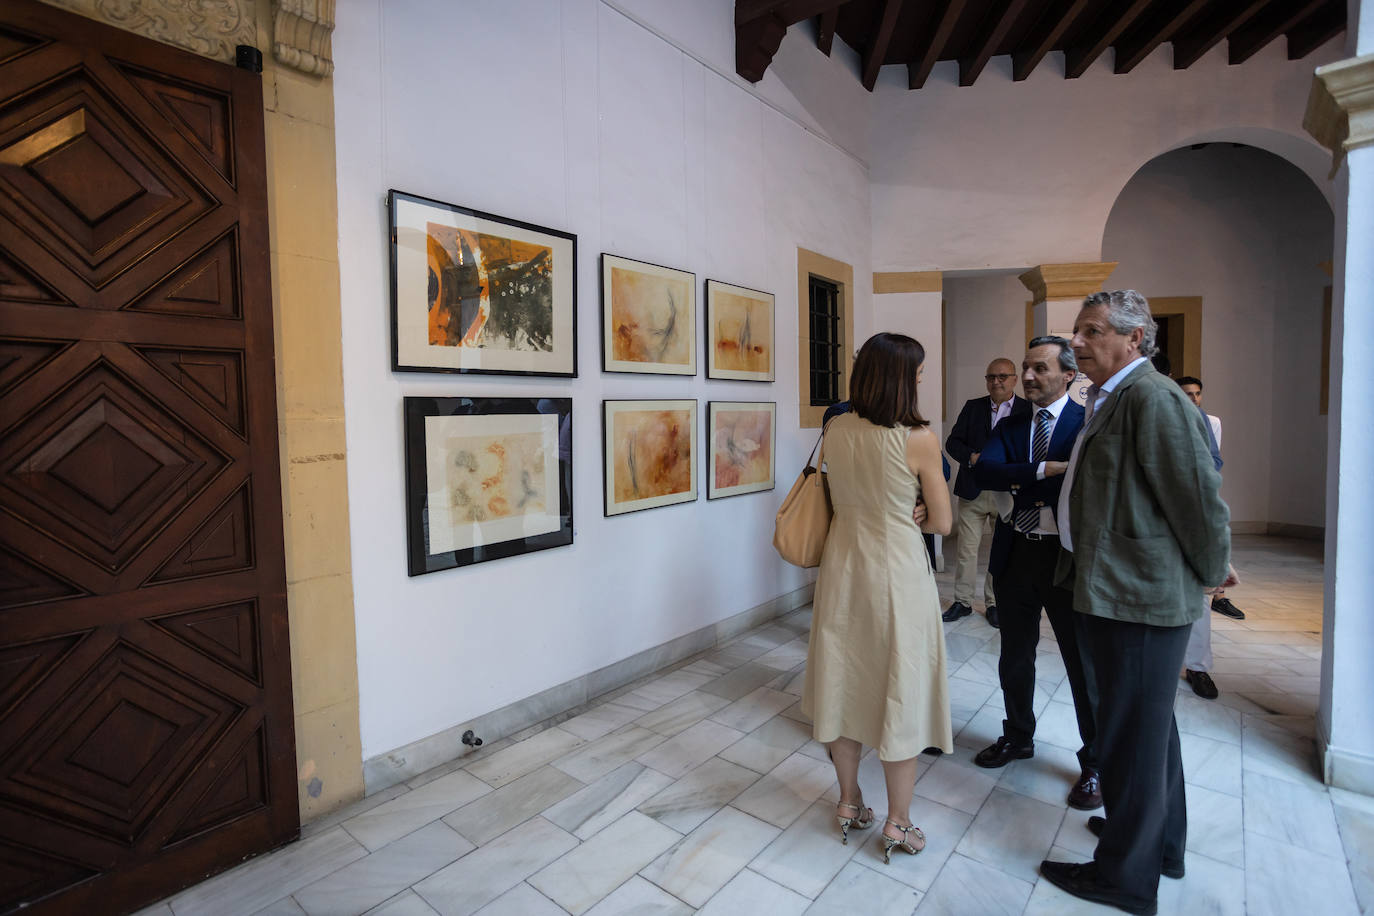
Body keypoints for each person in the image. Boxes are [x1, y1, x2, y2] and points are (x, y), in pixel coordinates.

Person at [1041, 290, 1235, 915]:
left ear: (1134, 338)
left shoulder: (1152, 397)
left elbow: (1196, 496)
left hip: (1139, 597)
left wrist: (1212, 569)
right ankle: (1159, 845)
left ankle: (1124, 876)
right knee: (1149, 733)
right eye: (1076, 330)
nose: (1077, 341)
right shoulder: (1114, 395)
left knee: (1128, 736)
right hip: (1117, 588)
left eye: (1092, 330)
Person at [802, 332, 953, 863]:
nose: (919, 380)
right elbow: (943, 520)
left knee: (842, 684)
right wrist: (915, 512)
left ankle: (848, 803)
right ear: (900, 378)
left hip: (843, 569)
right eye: (916, 373)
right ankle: (899, 821)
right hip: (897, 575)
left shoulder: (835, 428)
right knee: (899, 689)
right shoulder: (919, 438)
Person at [971, 337, 1101, 810]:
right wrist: (1045, 469)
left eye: (1039, 369)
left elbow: (1085, 477)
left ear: (1068, 374)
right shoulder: (1013, 421)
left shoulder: (1086, 421)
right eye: (1025, 368)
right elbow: (984, 471)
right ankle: (1018, 736)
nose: (1027, 377)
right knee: (1015, 655)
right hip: (1015, 554)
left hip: (1065, 559)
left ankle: (1095, 761)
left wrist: (1020, 473)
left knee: (1080, 664)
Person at [943, 358, 1030, 627]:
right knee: (967, 551)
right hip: (973, 489)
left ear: (1015, 379)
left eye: (1003, 376)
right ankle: (963, 602)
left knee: (999, 552)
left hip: (1008, 491)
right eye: (991, 376)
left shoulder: (1027, 409)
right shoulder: (973, 408)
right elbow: (952, 442)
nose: (997, 381)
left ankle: (994, 604)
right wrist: (972, 457)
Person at [1176, 377, 1245, 620]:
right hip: (1181, 488)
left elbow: (1215, 458)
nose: (1193, 398)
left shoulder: (1210, 420)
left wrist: (1203, 478)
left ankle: (1219, 595)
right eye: (1187, 394)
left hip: (1201, 487)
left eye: (1197, 394)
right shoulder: (1172, 416)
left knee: (1212, 534)